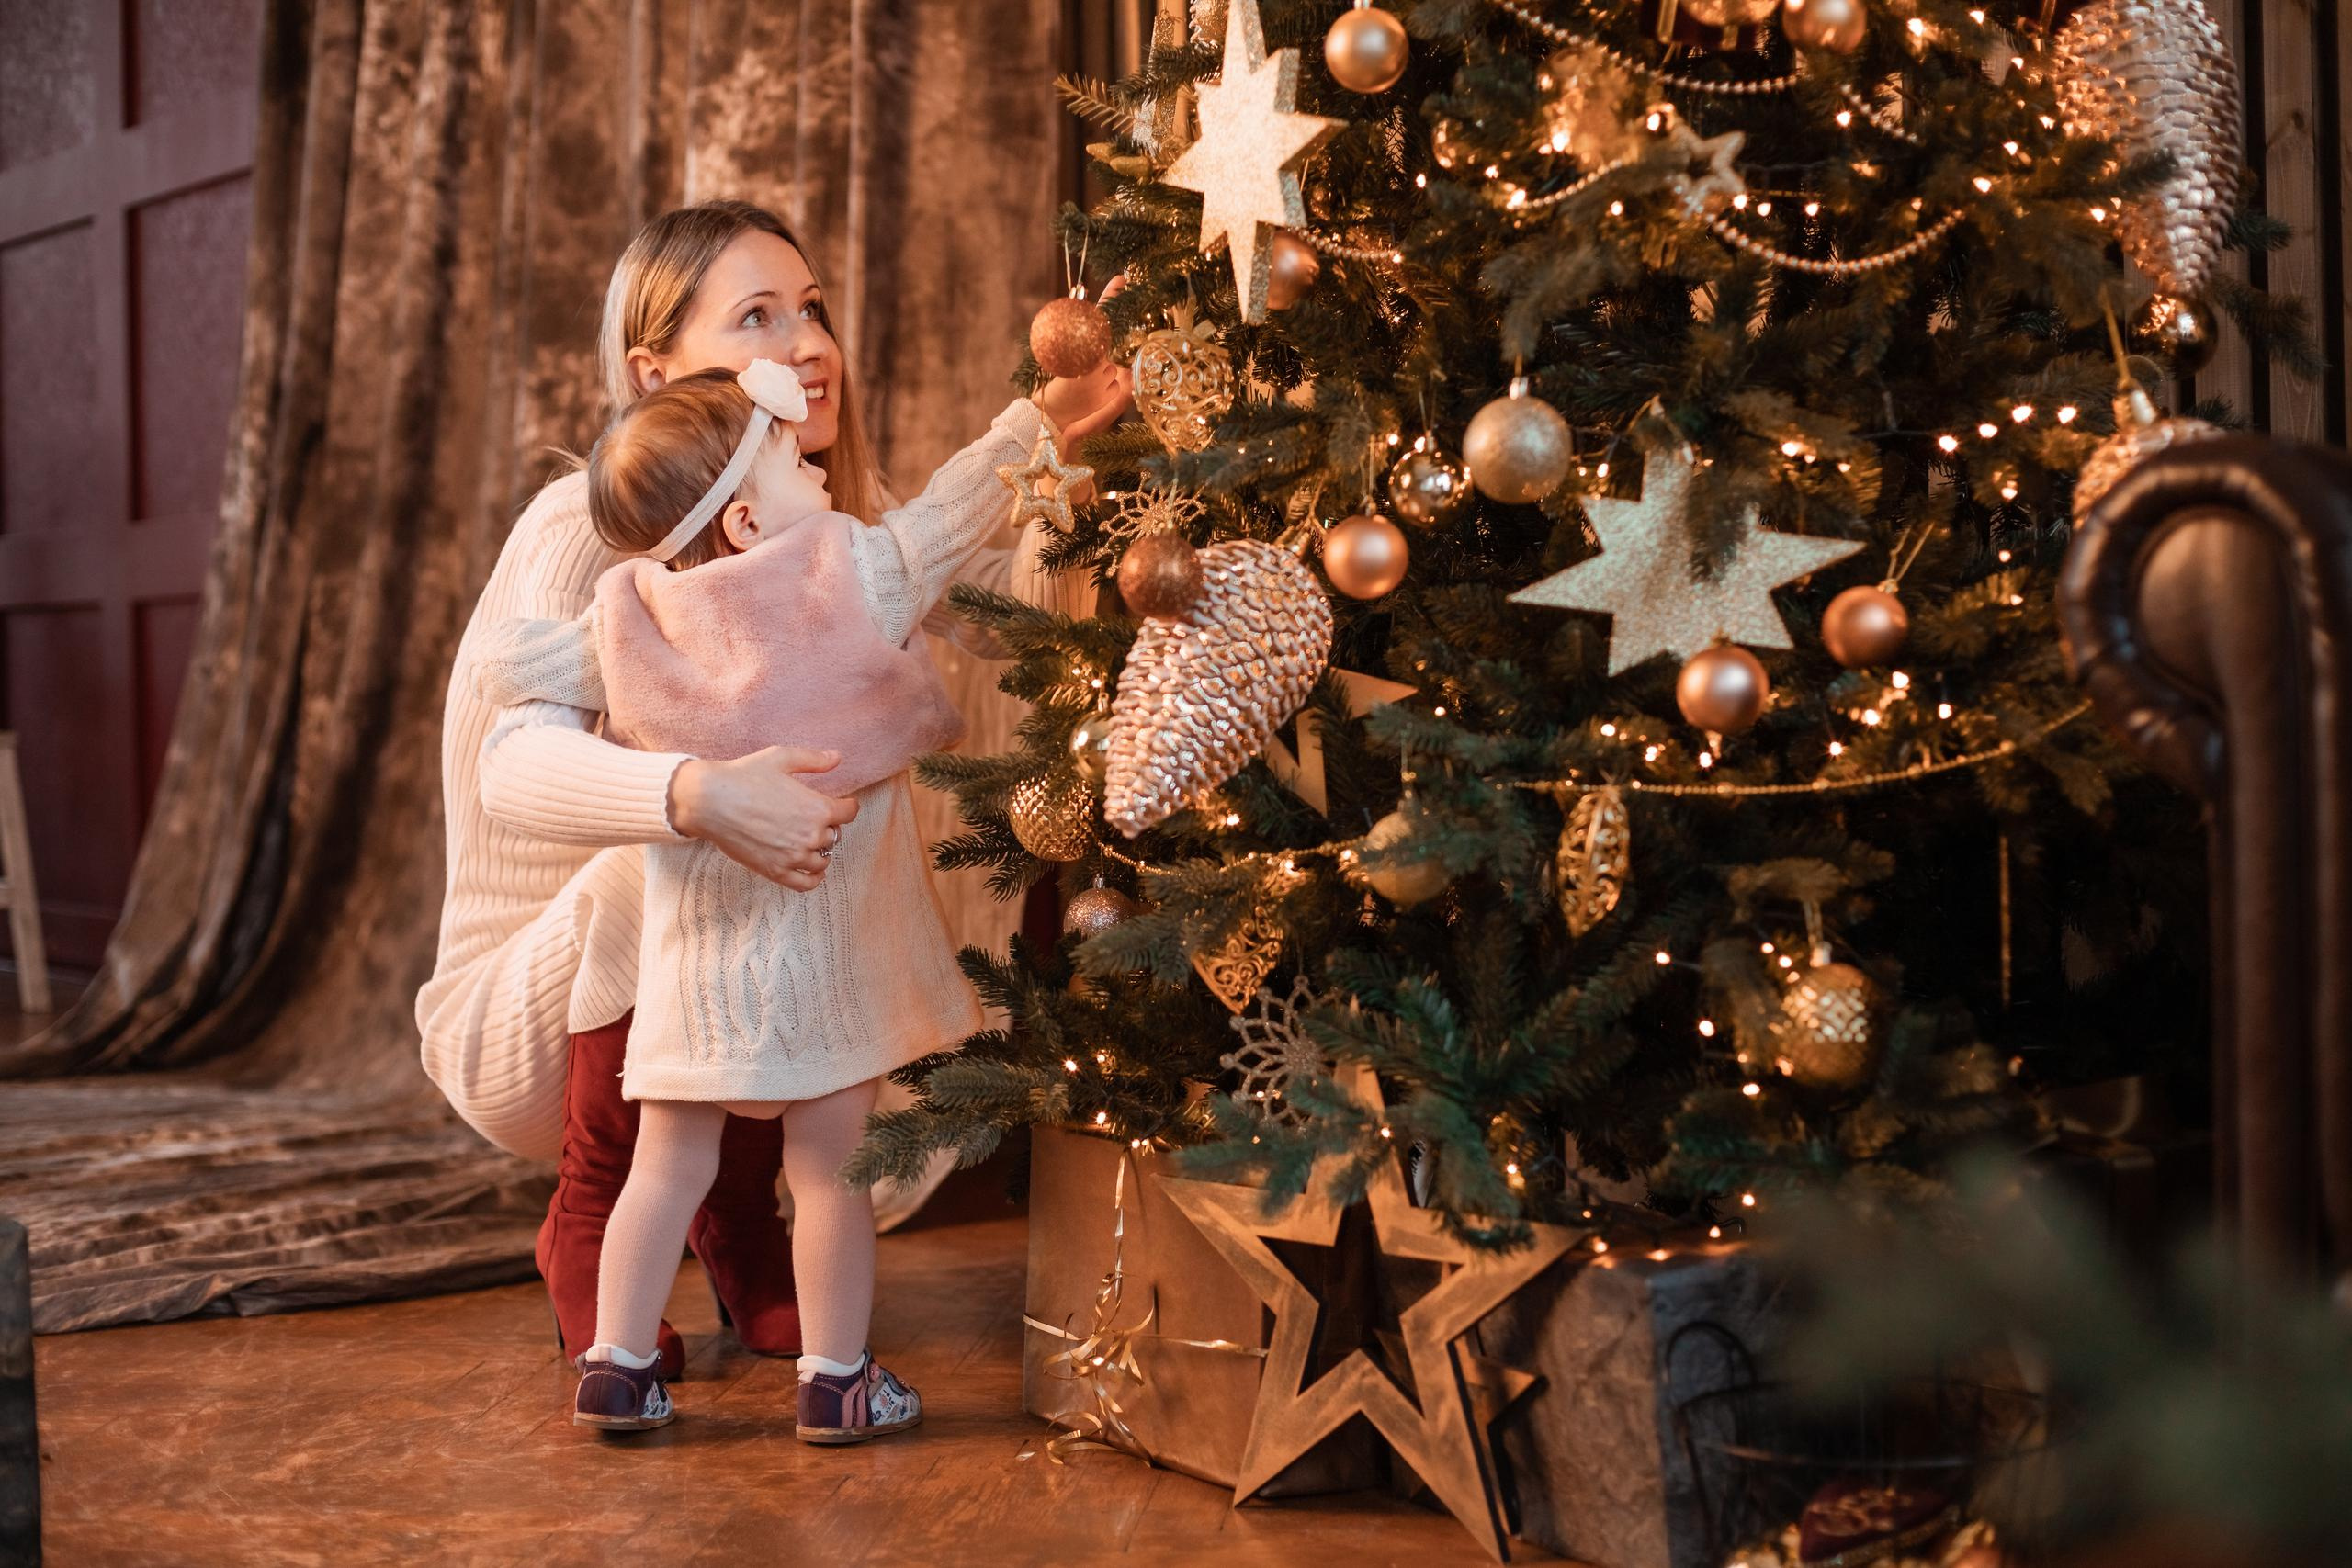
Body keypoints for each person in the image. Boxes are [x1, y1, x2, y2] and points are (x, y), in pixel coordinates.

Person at [415, 200, 1126, 1378]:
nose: (809, 346)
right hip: (530, 1020)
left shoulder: (824, 518)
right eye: (756, 317)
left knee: (794, 903)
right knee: (678, 869)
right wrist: (701, 794)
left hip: (713, 1007)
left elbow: (1013, 624)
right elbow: (513, 770)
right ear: (655, 374)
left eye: (811, 309)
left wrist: (1077, 485)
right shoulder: (587, 523)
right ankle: (587, 1215)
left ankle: (735, 1217)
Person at [478, 357, 989, 1438]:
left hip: (690, 979)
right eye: (798, 466)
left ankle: (616, 1368)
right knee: (831, 1171)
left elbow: (522, 667)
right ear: (748, 523)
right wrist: (1037, 424)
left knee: (663, 1167)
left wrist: (515, 670)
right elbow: (949, 517)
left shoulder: (632, 620)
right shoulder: (844, 577)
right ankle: (837, 1381)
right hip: (825, 970)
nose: (824, 478)